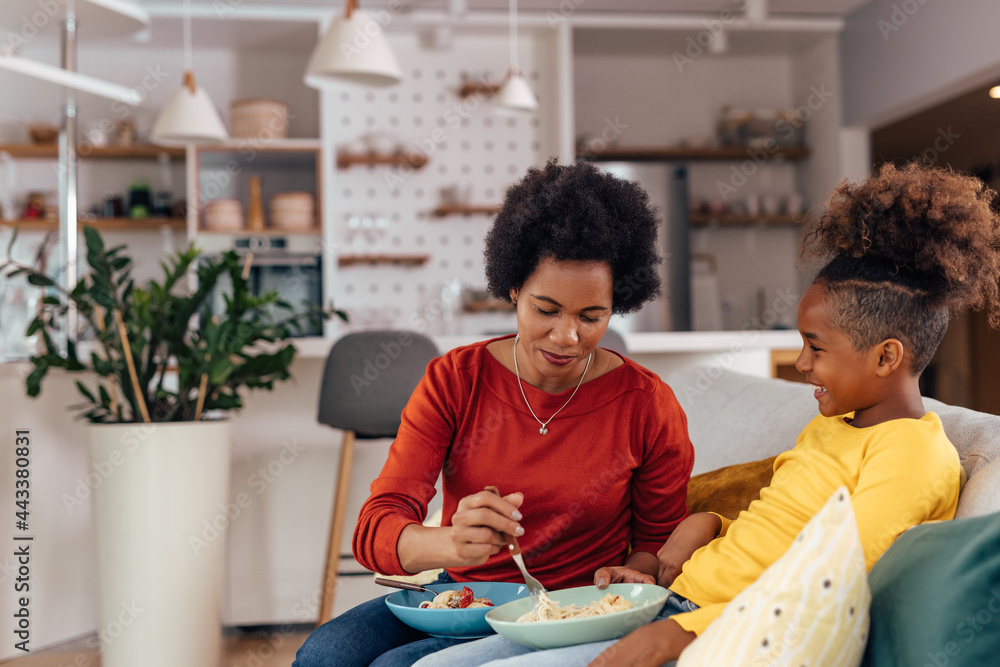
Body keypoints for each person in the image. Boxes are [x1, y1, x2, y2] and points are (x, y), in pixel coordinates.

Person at [412, 162, 1000, 667]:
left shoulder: (913, 455)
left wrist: (679, 631)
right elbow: (780, 527)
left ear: (886, 356)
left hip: (699, 624)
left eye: (815, 348)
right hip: (662, 599)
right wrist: (694, 539)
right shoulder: (833, 430)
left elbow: (832, 582)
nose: (799, 363)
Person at [292, 160, 695, 667]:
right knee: (323, 656)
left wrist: (634, 573)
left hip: (571, 610)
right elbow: (376, 530)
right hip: (464, 596)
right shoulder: (455, 380)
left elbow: (657, 542)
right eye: (545, 309)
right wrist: (453, 545)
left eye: (591, 317)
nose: (567, 337)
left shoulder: (646, 403)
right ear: (512, 290)